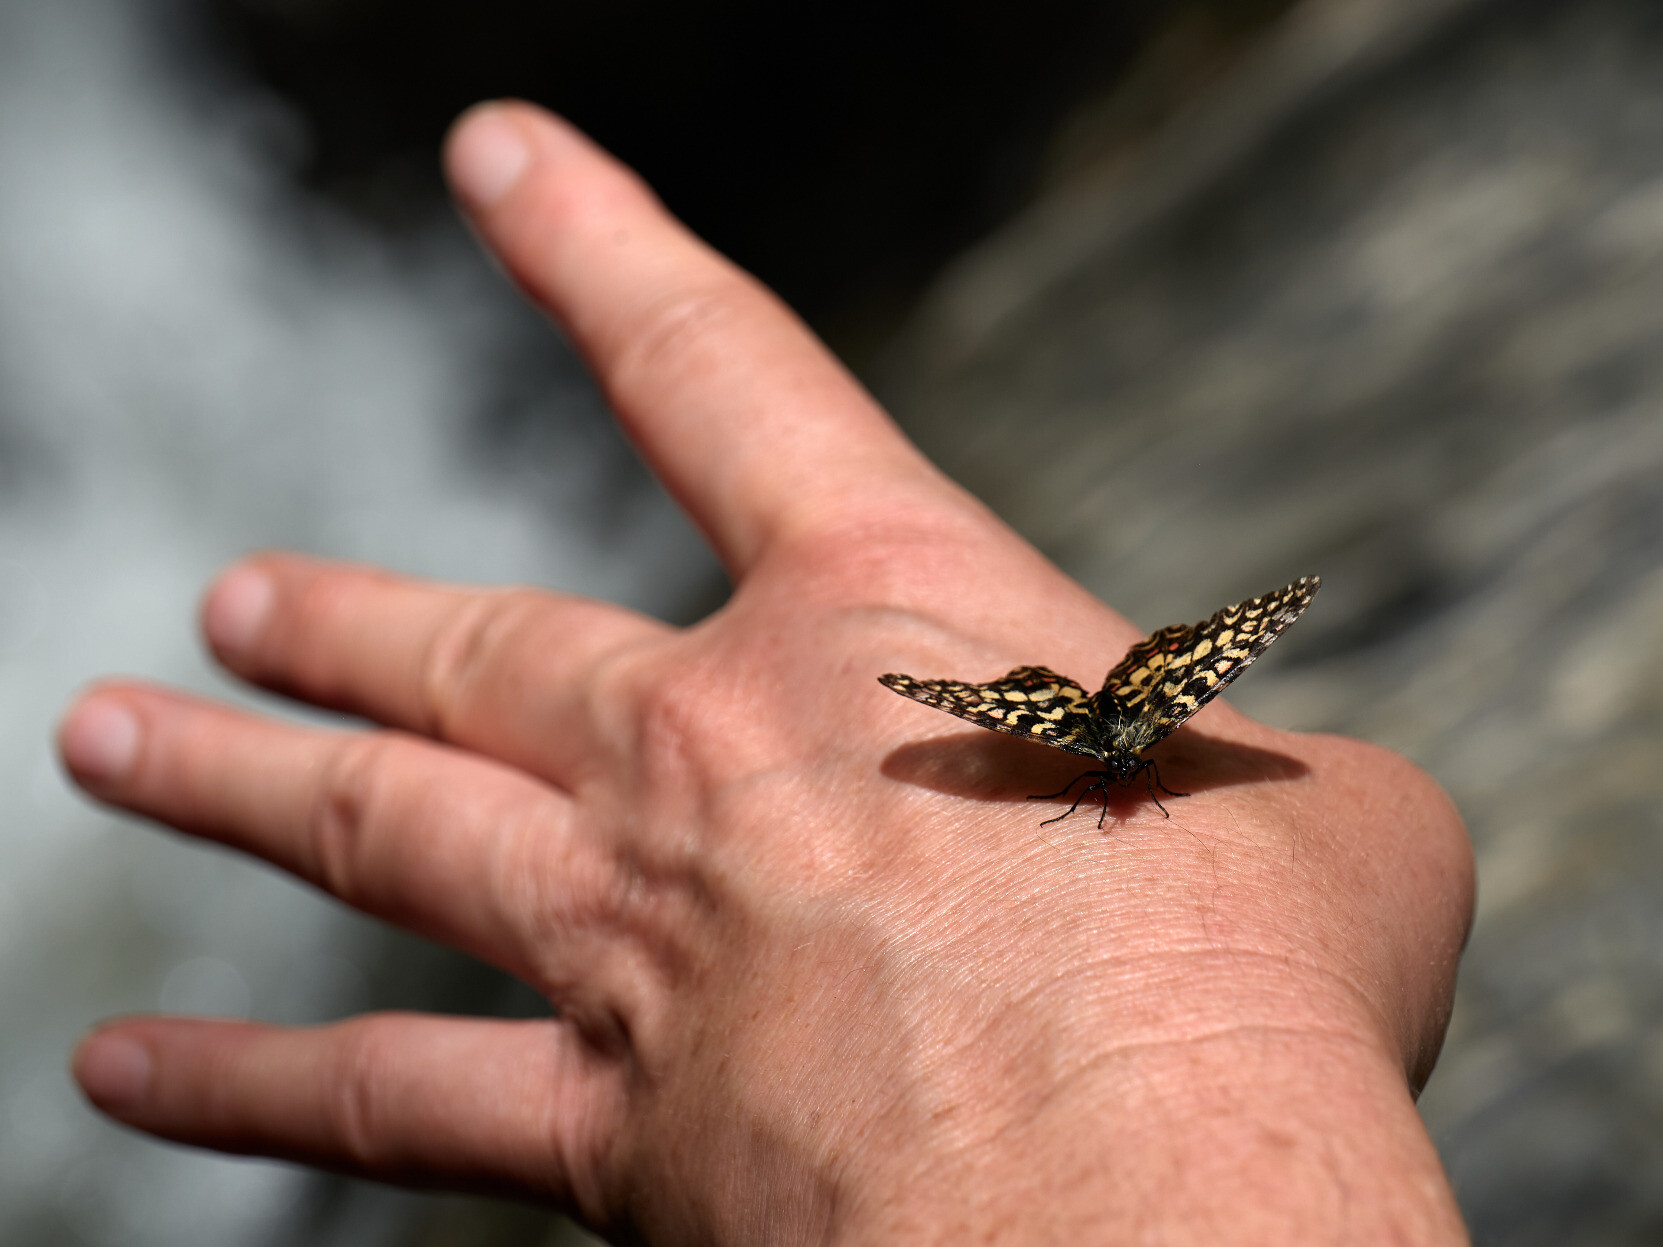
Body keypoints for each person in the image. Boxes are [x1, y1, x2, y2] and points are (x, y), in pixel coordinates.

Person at [57, 101, 1476, 1245]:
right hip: (1101, 711)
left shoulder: (1127, 745)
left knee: (1101, 726)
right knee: (1096, 726)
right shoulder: (1122, 742)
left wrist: (1191, 1013)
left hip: (1100, 712)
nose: (1126, 777)